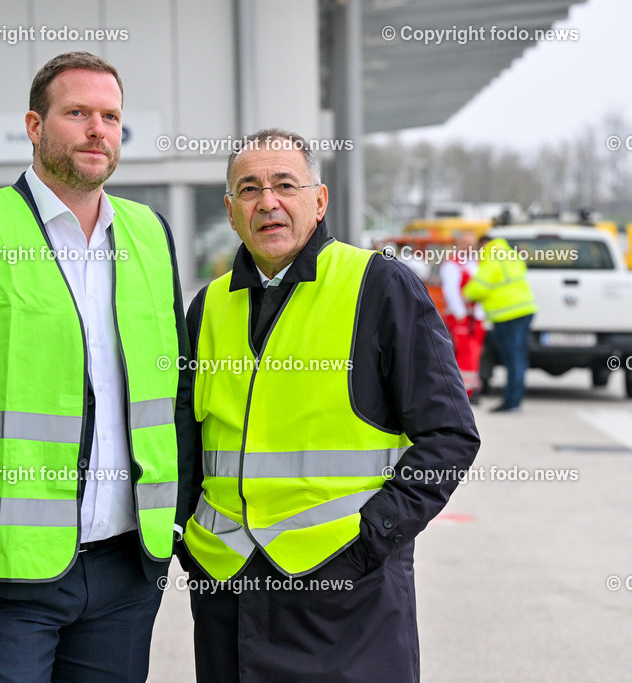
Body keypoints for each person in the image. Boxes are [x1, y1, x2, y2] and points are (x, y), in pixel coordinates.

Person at [0, 51, 194, 682]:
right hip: (7, 576)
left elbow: (177, 394)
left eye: (110, 116)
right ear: (35, 126)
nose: (97, 130)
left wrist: (174, 523)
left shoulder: (151, 234)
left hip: (127, 568)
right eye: (77, 113)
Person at [180, 129, 480, 682]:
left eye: (284, 185)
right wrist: (185, 541)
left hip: (346, 598)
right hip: (229, 592)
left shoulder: (379, 286)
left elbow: (449, 436)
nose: (267, 202)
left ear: (318, 201)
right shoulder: (208, 307)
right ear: (229, 210)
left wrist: (369, 542)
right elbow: (186, 444)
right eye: (249, 189)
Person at [462, 235, 537, 413]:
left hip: (507, 314)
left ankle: (511, 402)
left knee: (512, 358)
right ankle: (515, 399)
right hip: (525, 310)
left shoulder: (491, 258)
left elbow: (477, 288)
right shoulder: (512, 255)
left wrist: (465, 293)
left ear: (484, 244)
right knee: (519, 357)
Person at [439, 231, 485, 401]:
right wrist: (460, 314)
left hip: (477, 316)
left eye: (472, 242)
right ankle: (461, 392)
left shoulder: (476, 263)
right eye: (466, 242)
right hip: (461, 316)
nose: (469, 246)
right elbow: (451, 291)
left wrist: (481, 314)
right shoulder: (452, 264)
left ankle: (471, 389)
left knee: (474, 352)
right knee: (463, 351)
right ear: (458, 243)